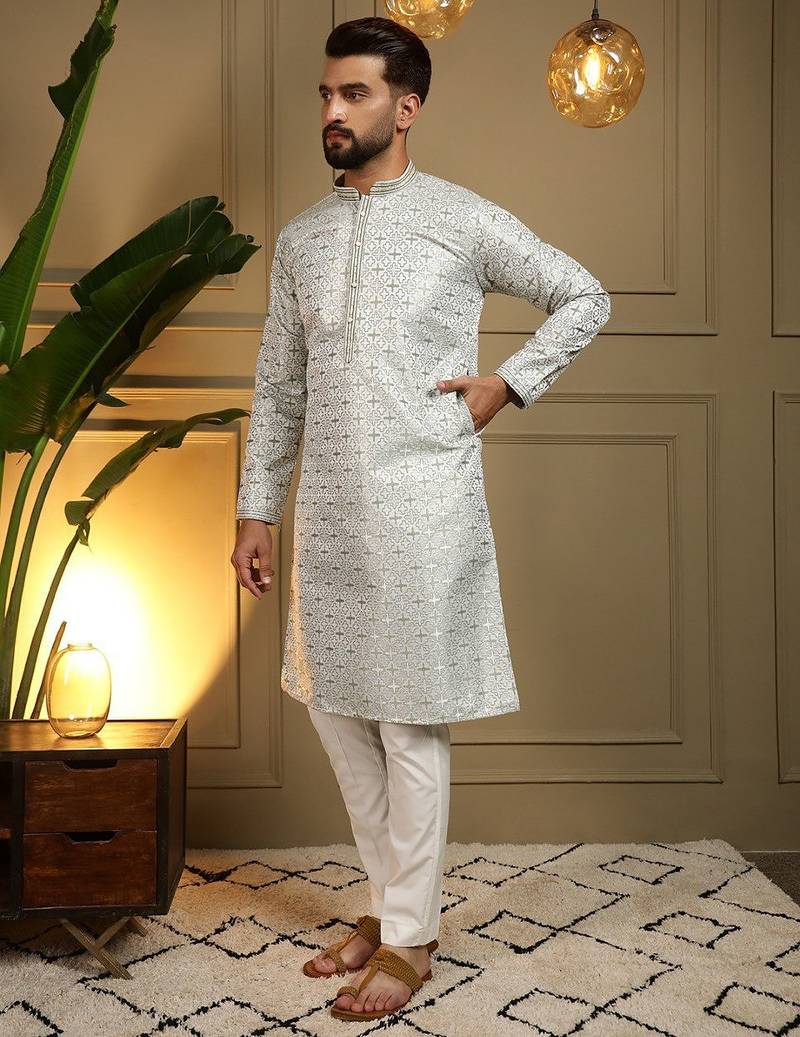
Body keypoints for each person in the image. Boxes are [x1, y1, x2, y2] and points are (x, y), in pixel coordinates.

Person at [231, 15, 611, 1022]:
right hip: (328, 512)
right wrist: (256, 508)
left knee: (406, 717)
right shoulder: (302, 240)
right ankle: (387, 905)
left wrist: (508, 383)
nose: (332, 110)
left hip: (424, 503)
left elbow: (582, 294)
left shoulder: (458, 218)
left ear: (405, 109)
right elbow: (279, 387)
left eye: (352, 93)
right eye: (325, 93)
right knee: (335, 708)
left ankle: (408, 938)